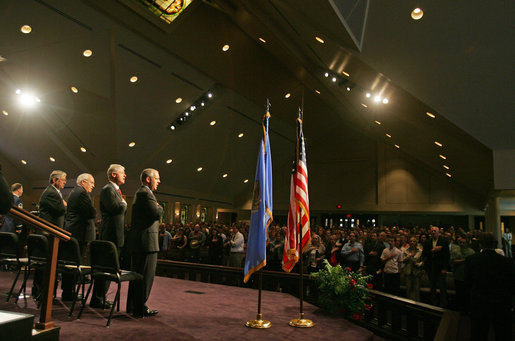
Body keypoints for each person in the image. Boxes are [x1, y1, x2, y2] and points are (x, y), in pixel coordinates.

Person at [465, 232, 515, 341]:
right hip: (501, 304)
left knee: (479, 334)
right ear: (495, 244)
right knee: (503, 334)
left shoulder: (471, 260)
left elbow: (467, 283)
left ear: (480, 244)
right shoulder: (507, 261)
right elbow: (511, 284)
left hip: (479, 303)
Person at [127, 168, 163, 317]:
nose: (159, 181)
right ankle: (140, 307)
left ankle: (133, 306)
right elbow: (156, 213)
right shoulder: (145, 193)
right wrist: (160, 206)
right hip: (146, 242)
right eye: (157, 178)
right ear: (148, 179)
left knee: (138, 275)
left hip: (142, 241)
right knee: (145, 276)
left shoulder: (142, 193)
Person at [93, 164, 127, 309]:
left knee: (109, 269)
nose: (125, 175)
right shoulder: (108, 189)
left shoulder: (115, 190)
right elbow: (115, 208)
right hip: (110, 235)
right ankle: (98, 298)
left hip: (115, 235)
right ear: (113, 174)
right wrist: (124, 203)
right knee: (105, 269)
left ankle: (101, 297)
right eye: (122, 173)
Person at [62, 173, 97, 301]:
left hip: (75, 231)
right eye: (91, 182)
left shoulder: (74, 192)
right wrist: (94, 212)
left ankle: (68, 291)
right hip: (78, 232)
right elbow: (90, 212)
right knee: (73, 263)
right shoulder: (82, 193)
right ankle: (69, 292)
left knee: (71, 263)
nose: (93, 186)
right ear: (83, 182)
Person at [422, 226, 449, 307]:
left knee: (442, 288)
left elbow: (446, 256)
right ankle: (434, 305)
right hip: (431, 267)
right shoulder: (427, 242)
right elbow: (424, 253)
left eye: (434, 231)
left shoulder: (443, 242)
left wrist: (445, 268)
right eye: (432, 231)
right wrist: (432, 251)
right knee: (432, 287)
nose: (433, 232)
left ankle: (443, 305)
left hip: (440, 268)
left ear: (438, 233)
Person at [450, 234, 474, 313]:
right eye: (460, 242)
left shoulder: (471, 252)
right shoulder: (456, 251)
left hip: (468, 276)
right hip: (458, 276)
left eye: (464, 243)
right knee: (459, 295)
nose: (462, 244)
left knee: (467, 295)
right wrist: (463, 260)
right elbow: (452, 261)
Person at [402, 236, 423, 301]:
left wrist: (418, 264)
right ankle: (408, 303)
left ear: (416, 242)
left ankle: (417, 303)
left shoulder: (420, 251)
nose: (412, 242)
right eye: (411, 241)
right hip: (408, 271)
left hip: (416, 271)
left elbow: (422, 261)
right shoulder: (406, 250)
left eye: (413, 241)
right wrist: (410, 255)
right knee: (408, 288)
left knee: (416, 289)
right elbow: (403, 260)